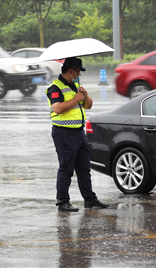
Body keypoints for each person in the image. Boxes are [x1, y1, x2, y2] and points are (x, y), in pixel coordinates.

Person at [48, 57, 108, 212]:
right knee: (66, 168)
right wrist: (75, 99)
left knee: (84, 168)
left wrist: (84, 95)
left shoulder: (76, 86)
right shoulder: (55, 88)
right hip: (64, 133)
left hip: (79, 133)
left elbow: (88, 105)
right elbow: (57, 108)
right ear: (71, 71)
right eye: (78, 71)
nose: (79, 74)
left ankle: (89, 199)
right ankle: (63, 202)